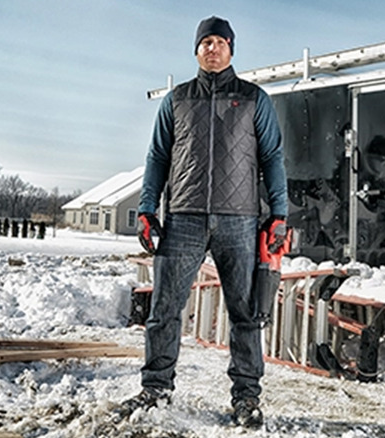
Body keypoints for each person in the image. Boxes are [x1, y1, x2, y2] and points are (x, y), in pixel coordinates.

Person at [121, 16, 288, 429]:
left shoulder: (254, 99)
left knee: (246, 314)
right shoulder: (176, 99)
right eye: (205, 42)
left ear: (232, 49)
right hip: (184, 218)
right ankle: (156, 389)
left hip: (241, 222)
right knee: (164, 310)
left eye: (220, 42)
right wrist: (147, 209)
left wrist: (279, 214)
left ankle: (246, 398)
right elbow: (157, 157)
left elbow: (272, 158)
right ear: (196, 50)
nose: (212, 48)